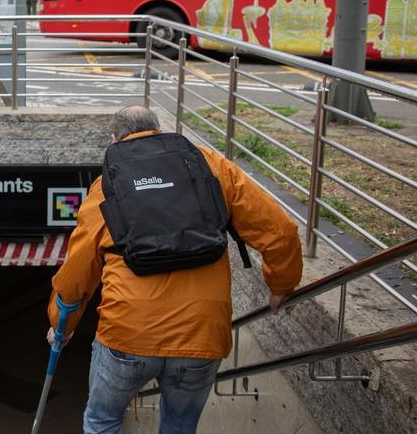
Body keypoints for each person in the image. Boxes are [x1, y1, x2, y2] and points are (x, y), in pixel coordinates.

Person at [47, 106, 302, 434]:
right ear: (158, 130)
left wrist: (62, 324)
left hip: (128, 332)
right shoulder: (210, 164)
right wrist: (282, 284)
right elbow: (280, 231)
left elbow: (78, 271)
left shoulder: (104, 186)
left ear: (115, 140)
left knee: (102, 420)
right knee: (180, 425)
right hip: (201, 333)